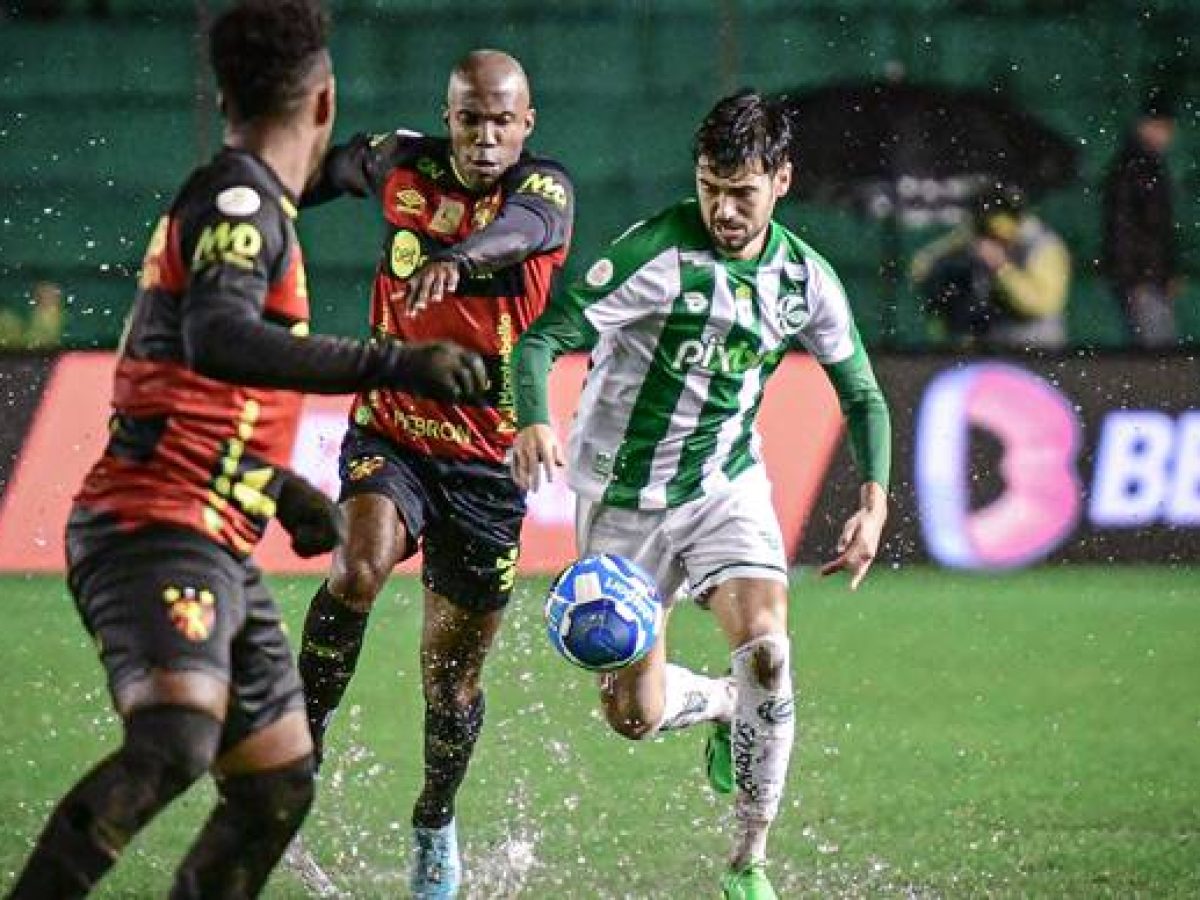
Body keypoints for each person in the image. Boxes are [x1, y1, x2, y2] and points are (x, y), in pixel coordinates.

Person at [4, 3, 487, 897]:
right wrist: (393, 361)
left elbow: (187, 390)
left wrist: (278, 489)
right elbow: (218, 337)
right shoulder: (239, 203)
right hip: (150, 525)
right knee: (176, 742)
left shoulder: (240, 200)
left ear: (224, 94)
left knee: (275, 783)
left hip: (209, 530)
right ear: (325, 103)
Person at [511, 90, 891, 900]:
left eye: (742, 192)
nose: (723, 207)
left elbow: (861, 392)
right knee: (633, 717)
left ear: (782, 180)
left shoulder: (803, 281)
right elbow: (546, 335)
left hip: (724, 484)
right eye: (710, 188)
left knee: (769, 649)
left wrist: (874, 497)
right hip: (621, 502)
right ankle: (721, 706)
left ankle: (749, 861)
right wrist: (534, 419)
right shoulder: (655, 254)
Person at [289, 49, 574, 898]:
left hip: (489, 464)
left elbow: (527, 230)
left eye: (502, 121)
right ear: (448, 117)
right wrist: (264, 200)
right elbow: (333, 168)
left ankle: (434, 820)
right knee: (356, 566)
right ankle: (298, 746)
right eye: (470, 119)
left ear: (527, 124)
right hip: (395, 430)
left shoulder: (546, 189)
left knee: (452, 691)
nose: (486, 137)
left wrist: (465, 254)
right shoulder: (403, 162)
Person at [911, 183, 1070, 351]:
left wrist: (1001, 268)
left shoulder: (1045, 246)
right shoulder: (976, 234)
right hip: (988, 349)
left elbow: (1042, 305)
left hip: (1036, 350)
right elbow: (922, 266)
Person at [1101, 89, 1180, 348]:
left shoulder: (1147, 166)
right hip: (1142, 278)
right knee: (1155, 350)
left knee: (1159, 345)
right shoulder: (1134, 168)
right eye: (1162, 128)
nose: (1167, 136)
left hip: (1148, 276)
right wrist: (1134, 279)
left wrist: (1165, 273)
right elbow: (1123, 228)